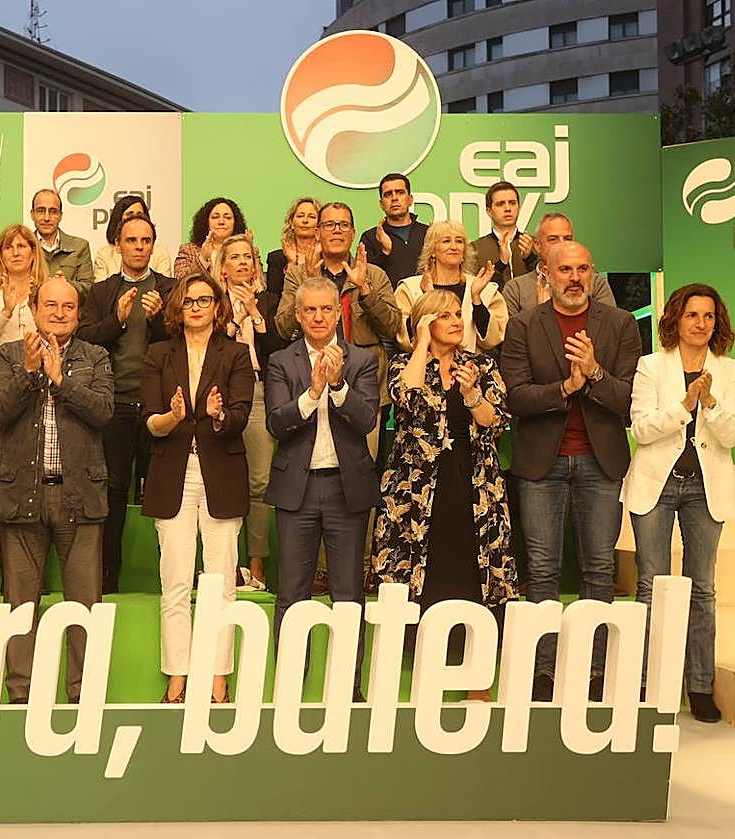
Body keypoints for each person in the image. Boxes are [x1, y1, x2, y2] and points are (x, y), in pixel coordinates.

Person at [500, 241, 642, 701]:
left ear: (592, 273)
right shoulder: (523, 325)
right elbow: (516, 398)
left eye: (582, 268)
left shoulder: (620, 325)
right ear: (546, 274)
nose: (574, 277)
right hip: (543, 462)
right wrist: (566, 385)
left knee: (599, 570)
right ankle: (544, 674)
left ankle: (595, 671)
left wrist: (595, 373)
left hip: (601, 463)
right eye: (565, 270)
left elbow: (628, 401)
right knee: (541, 570)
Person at [372, 291, 517, 700]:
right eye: (445, 316)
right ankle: (427, 676)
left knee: (476, 576)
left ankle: (476, 682)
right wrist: (420, 345)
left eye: (459, 314)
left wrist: (472, 395)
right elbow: (406, 400)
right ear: (424, 323)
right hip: (418, 494)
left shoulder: (482, 366)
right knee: (424, 574)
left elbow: (496, 421)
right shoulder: (406, 363)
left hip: (474, 489)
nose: (456, 321)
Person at [622, 284, 735, 723]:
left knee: (703, 589)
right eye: (692, 315)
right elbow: (642, 429)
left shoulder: (730, 372)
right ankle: (645, 684)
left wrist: (709, 403)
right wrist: (685, 404)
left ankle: (699, 685)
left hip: (705, 490)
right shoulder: (651, 367)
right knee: (650, 586)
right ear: (675, 319)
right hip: (657, 484)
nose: (700, 323)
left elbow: (733, 435)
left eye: (708, 316)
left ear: (718, 323)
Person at [0, 276, 113, 704]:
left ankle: (84, 695)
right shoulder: (8, 355)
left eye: (69, 307)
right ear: (34, 309)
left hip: (79, 496)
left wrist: (61, 381)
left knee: (83, 606)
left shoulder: (95, 356)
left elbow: (103, 412)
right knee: (20, 606)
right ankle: (20, 696)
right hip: (24, 493)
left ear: (78, 314)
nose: (59, 313)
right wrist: (29, 372)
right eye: (51, 305)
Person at [141, 272, 255, 703]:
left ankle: (217, 673)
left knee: (221, 579)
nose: (195, 307)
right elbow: (151, 421)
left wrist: (218, 415)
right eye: (188, 300)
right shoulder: (157, 354)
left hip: (220, 473)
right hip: (173, 472)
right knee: (174, 580)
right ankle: (178, 672)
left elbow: (240, 416)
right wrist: (173, 416)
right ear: (177, 307)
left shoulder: (237, 354)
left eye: (204, 300)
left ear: (216, 306)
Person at [265, 277, 380, 699]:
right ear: (298, 314)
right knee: (291, 594)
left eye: (325, 310)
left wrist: (336, 385)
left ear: (337, 313)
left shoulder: (361, 360)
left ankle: (349, 688)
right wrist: (313, 391)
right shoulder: (282, 361)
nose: (318, 317)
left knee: (348, 595)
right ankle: (291, 686)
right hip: (298, 490)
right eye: (309, 310)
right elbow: (276, 422)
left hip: (346, 490)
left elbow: (367, 420)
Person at [78, 214, 175, 593]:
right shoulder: (102, 292)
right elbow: (86, 340)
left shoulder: (169, 289)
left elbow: (179, 340)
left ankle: (167, 577)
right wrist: (117, 320)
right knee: (113, 491)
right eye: (131, 240)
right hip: (114, 403)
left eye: (146, 240)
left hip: (159, 406)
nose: (139, 247)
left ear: (153, 245)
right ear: (118, 245)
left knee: (162, 491)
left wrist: (156, 321)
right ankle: (107, 576)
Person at [275, 202, 400, 456]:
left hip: (363, 389)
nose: (336, 231)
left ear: (353, 233)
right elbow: (282, 328)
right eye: (329, 224)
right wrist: (310, 285)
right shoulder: (299, 274)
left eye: (343, 225)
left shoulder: (372, 274)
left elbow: (392, 326)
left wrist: (365, 290)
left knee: (362, 470)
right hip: (310, 385)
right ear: (318, 232)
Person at [0, 224, 48, 587]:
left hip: (42, 400)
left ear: (34, 252)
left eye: (23, 245)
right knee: (4, 486)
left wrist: (32, 306)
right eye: (9, 247)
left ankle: (38, 574)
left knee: (42, 485)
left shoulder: (47, 293)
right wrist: (6, 310)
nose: (16, 252)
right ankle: (11, 577)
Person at [217, 234, 282, 588]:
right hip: (221, 394)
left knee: (259, 481)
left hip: (258, 391)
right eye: (235, 258)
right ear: (223, 268)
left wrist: (256, 318)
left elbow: (279, 350)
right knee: (223, 480)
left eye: (248, 258)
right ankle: (225, 567)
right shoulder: (211, 302)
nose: (243, 263)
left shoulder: (269, 301)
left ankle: (256, 567)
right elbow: (209, 348)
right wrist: (233, 321)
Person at [394, 220, 506, 353]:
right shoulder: (410, 289)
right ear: (432, 251)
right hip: (423, 368)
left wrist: (477, 300)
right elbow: (404, 340)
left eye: (459, 241)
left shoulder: (484, 289)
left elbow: (493, 340)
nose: (454, 247)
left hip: (470, 369)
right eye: (446, 241)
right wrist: (428, 297)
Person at [502, 213, 616, 317]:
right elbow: (511, 336)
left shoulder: (595, 283)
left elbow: (610, 328)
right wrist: (542, 313)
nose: (562, 244)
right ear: (537, 245)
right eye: (553, 239)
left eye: (567, 238)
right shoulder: (516, 289)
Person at [359, 173, 429, 287]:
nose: (394, 198)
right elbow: (367, 280)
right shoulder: (370, 237)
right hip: (386, 303)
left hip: (424, 302)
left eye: (400, 192)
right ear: (381, 204)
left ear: (410, 199)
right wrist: (385, 252)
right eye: (388, 194)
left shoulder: (428, 233)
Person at [472, 181, 537, 287]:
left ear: (519, 208)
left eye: (512, 203)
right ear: (489, 211)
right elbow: (474, 290)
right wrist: (501, 264)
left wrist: (530, 258)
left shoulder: (536, 244)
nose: (507, 209)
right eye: (500, 204)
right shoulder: (475, 249)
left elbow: (549, 281)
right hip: (493, 303)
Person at [93, 195, 172, 280]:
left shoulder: (160, 253)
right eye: (129, 215)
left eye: (139, 214)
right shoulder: (104, 254)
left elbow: (165, 289)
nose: (135, 218)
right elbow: (100, 290)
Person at [29, 188, 93, 294]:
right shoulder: (24, 246)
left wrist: (66, 284)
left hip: (67, 308)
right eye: (41, 211)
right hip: (32, 309)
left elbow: (89, 289)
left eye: (53, 211)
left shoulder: (80, 246)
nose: (46, 218)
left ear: (60, 216)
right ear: (32, 214)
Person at [174, 196, 252, 281]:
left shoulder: (248, 251)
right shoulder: (188, 250)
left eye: (227, 217)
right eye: (215, 217)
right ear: (206, 222)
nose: (221, 222)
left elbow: (259, 284)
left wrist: (249, 250)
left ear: (235, 223)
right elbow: (180, 281)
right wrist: (202, 259)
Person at [264, 197, 320, 312]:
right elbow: (275, 300)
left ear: (320, 225)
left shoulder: (326, 257)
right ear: (291, 223)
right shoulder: (276, 258)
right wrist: (291, 263)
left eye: (312, 217)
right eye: (300, 216)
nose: (305, 221)